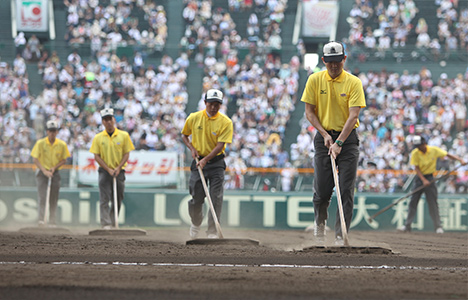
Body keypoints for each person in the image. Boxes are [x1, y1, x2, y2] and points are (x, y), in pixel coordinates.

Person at [301, 41, 366, 244]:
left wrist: (339, 142)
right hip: (324, 139)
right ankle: (320, 226)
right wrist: (324, 134)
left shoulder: (353, 82)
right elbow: (309, 112)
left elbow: (353, 116)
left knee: (346, 189)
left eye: (337, 61)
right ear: (323, 61)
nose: (334, 66)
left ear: (344, 59)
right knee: (322, 190)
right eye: (329, 62)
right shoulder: (314, 80)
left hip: (347, 140)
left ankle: (340, 234)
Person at [181, 89, 233, 239]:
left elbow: (219, 145)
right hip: (198, 162)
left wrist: (206, 160)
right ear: (205, 103)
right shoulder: (194, 118)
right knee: (196, 197)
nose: (213, 107)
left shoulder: (226, 122)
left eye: (217, 104)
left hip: (216, 163)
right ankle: (196, 223)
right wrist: (192, 148)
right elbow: (184, 135)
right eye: (211, 104)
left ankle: (212, 231)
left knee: (216, 197)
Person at [398, 136, 466, 234]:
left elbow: (447, 154)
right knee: (413, 202)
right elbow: (416, 168)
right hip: (419, 179)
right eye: (417, 146)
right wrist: (423, 180)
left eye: (420, 145)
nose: (419, 147)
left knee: (433, 203)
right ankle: (407, 226)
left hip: (430, 178)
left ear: (424, 143)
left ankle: (438, 226)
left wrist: (460, 160)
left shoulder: (433, 150)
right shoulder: (415, 153)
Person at [89, 108, 135, 229]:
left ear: (114, 119)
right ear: (103, 122)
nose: (108, 122)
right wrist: (108, 168)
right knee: (104, 197)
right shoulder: (98, 138)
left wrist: (118, 167)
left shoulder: (123, 135)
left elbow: (126, 153)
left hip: (119, 171)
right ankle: (106, 223)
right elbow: (96, 156)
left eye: (110, 119)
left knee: (118, 197)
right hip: (104, 171)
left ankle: (113, 221)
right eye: (105, 119)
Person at [30, 120, 71, 227]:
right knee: (42, 197)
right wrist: (44, 171)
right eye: (50, 131)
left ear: (57, 132)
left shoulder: (61, 144)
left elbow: (64, 159)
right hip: (42, 173)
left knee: (53, 197)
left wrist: (54, 168)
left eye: (54, 131)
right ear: (47, 131)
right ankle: (41, 220)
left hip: (55, 173)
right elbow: (35, 159)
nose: (52, 133)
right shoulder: (40, 143)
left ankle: (52, 220)